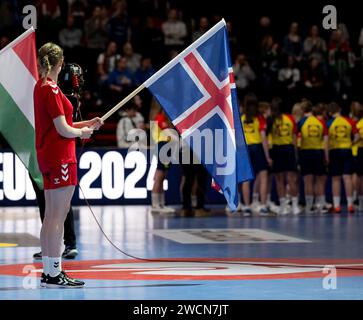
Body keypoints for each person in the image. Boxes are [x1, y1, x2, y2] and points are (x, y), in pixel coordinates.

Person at [34, 42, 103, 287]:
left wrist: (85, 123)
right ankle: (54, 273)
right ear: (60, 63)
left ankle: (48, 271)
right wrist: (82, 133)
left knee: (51, 217)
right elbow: (62, 129)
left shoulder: (40, 87)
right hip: (61, 157)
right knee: (57, 217)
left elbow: (62, 125)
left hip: (50, 156)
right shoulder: (51, 91)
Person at [240, 94, 272, 216]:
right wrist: (267, 156)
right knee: (263, 177)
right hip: (258, 148)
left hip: (245, 149)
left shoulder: (241, 118)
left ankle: (247, 207)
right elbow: (264, 138)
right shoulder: (260, 118)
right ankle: (263, 206)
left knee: (246, 179)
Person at [269, 97, 300, 215]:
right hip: (289, 149)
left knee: (279, 180)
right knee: (291, 179)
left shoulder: (270, 120)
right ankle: (295, 206)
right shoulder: (290, 119)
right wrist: (296, 153)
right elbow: (294, 138)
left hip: (277, 150)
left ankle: (283, 207)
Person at [297, 100, 329, 214]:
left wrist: (297, 154)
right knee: (320, 180)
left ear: (302, 110)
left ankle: (309, 206)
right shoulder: (320, 122)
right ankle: (320, 205)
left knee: (308, 180)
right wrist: (326, 157)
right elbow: (325, 141)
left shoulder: (300, 122)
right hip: (318, 152)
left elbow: (297, 140)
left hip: (306, 153)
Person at [326, 102, 358, 213]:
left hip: (334, 151)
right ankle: (350, 205)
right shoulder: (349, 121)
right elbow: (357, 135)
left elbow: (327, 140)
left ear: (330, 112)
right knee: (347, 177)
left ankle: (337, 205)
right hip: (347, 150)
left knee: (336, 179)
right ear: (339, 109)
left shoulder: (328, 123)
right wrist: (351, 143)